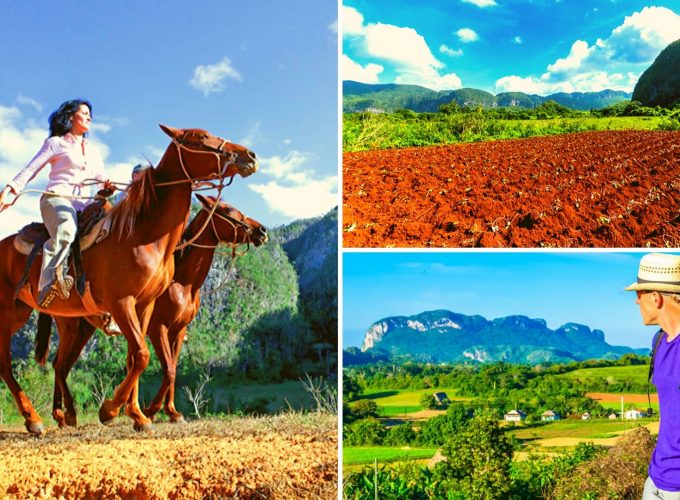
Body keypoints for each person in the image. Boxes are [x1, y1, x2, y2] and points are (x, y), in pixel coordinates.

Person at [0, 99, 113, 309]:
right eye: (85, 113)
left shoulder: (94, 151)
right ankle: (47, 282)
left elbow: (100, 179)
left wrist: (106, 187)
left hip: (85, 205)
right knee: (67, 228)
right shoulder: (55, 143)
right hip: (56, 199)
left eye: (90, 115)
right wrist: (11, 189)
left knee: (114, 230)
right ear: (71, 117)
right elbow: (31, 169)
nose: (89, 117)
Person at [627, 253, 680, 498]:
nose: (637, 302)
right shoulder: (659, 340)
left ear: (656, 298)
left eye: (639, 295)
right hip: (657, 480)